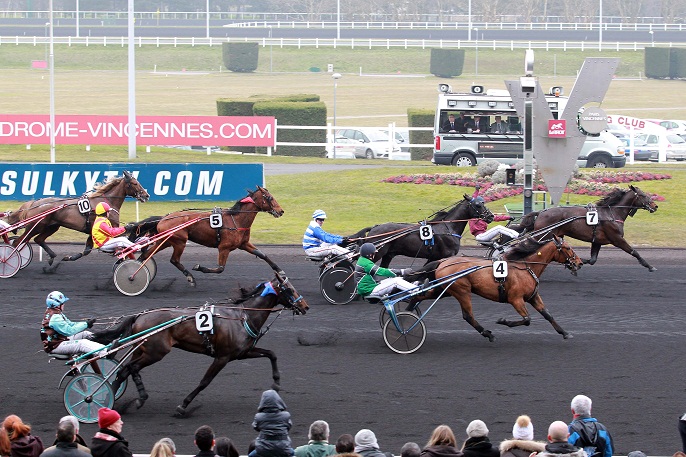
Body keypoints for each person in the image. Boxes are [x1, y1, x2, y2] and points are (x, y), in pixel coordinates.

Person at [40, 291, 113, 359]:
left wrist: (85, 323)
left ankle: (104, 344)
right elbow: (69, 331)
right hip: (55, 346)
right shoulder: (55, 318)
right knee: (82, 343)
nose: (64, 305)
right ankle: (106, 352)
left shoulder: (55, 313)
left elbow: (71, 324)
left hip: (59, 341)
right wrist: (86, 325)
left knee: (85, 334)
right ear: (58, 305)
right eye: (63, 303)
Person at [354, 243, 418, 298]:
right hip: (369, 290)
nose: (374, 255)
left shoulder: (362, 260)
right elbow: (382, 271)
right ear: (370, 254)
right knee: (396, 281)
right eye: (373, 253)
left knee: (395, 278)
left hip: (370, 287)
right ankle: (416, 290)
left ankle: (413, 285)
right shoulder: (366, 263)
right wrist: (402, 271)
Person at [251, 390, 294, 457]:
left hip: (263, 449)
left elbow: (256, 427)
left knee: (251, 455)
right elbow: (289, 426)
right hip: (283, 449)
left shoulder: (258, 416)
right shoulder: (286, 415)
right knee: (293, 453)